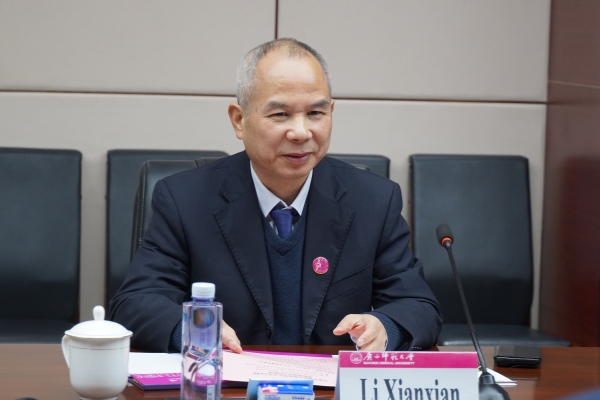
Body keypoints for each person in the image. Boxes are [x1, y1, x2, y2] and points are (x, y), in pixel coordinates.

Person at [109, 38, 441, 353]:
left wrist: (384, 327)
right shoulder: (185, 200)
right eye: (280, 114)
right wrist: (196, 328)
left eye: (316, 113)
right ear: (239, 120)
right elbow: (136, 302)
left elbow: (418, 305)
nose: (301, 132)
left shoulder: (373, 200)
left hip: (330, 384)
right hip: (229, 382)